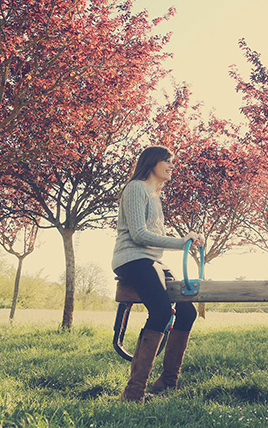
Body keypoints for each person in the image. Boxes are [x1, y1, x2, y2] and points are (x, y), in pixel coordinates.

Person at [112, 146, 204, 402]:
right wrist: (181, 242)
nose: (172, 166)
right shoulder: (135, 189)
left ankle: (167, 382)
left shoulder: (154, 195)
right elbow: (138, 235)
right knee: (162, 312)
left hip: (151, 261)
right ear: (152, 162)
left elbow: (155, 238)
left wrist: (189, 241)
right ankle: (133, 393)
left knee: (187, 311)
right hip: (131, 259)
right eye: (167, 161)